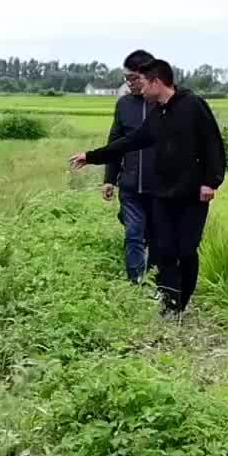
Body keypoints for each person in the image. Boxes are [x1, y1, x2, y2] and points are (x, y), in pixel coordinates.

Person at [72, 58, 226, 316]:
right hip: (162, 193)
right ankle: (169, 303)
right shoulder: (158, 113)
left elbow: (213, 144)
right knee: (162, 248)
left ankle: (182, 302)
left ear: (156, 82)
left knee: (186, 250)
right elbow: (131, 141)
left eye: (143, 83)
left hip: (191, 194)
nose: (139, 89)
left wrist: (211, 182)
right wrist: (91, 156)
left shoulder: (193, 105)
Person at [68, 49, 158, 284]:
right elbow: (116, 143)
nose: (129, 84)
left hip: (161, 186)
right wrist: (109, 179)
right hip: (130, 185)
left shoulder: (165, 103)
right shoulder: (124, 105)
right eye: (126, 79)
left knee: (157, 236)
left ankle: (157, 281)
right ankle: (136, 283)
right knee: (133, 234)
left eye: (133, 79)